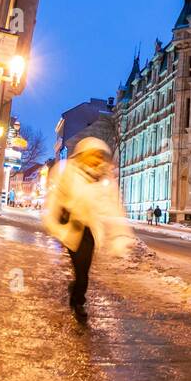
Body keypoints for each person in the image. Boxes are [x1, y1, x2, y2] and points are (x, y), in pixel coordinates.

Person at [42, 138, 132, 323]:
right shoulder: (66, 170)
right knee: (80, 268)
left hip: (90, 229)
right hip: (70, 226)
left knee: (84, 269)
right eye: (94, 154)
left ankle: (76, 293)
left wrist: (120, 237)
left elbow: (114, 208)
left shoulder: (104, 178)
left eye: (100, 155)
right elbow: (54, 199)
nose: (97, 159)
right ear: (84, 153)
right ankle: (78, 302)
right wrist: (54, 225)